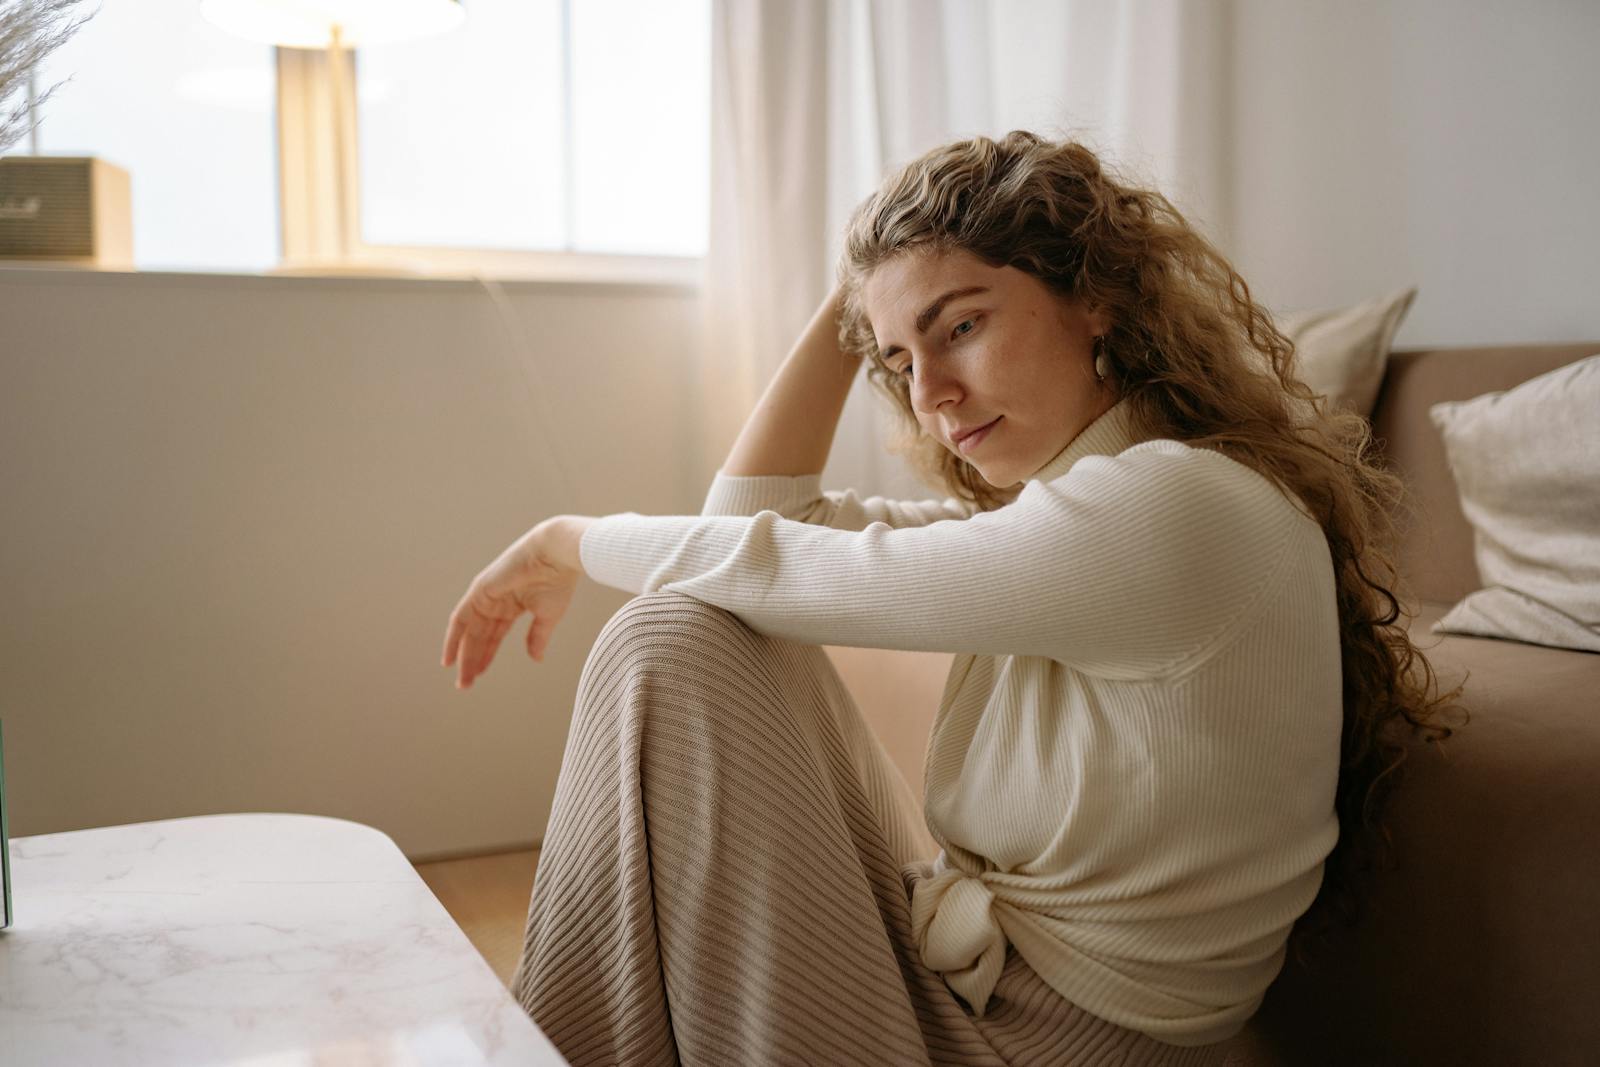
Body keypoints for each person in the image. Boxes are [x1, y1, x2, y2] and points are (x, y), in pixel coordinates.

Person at [439, 130, 1465, 1066]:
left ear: (1096, 295)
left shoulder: (1173, 506)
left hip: (1048, 1047)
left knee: (660, 635)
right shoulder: (1093, 501)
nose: (927, 391)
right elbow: (753, 521)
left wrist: (568, 538)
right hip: (978, 988)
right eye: (896, 359)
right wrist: (868, 294)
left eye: (960, 326)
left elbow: (776, 562)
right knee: (678, 629)